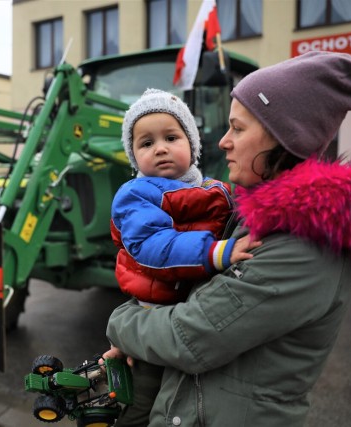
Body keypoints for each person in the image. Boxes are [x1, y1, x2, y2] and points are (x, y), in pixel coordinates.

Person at [104, 51, 351, 426]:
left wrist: (122, 322)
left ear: (283, 138)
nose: (224, 142)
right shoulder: (253, 217)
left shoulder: (302, 247)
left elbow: (188, 337)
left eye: (238, 129)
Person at [110, 88, 260, 425]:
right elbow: (153, 247)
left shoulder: (212, 188)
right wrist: (216, 253)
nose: (160, 148)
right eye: (145, 143)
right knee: (142, 401)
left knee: (180, 395)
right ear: (134, 156)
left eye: (171, 137)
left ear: (191, 144)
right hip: (155, 308)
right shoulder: (136, 194)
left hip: (189, 303)